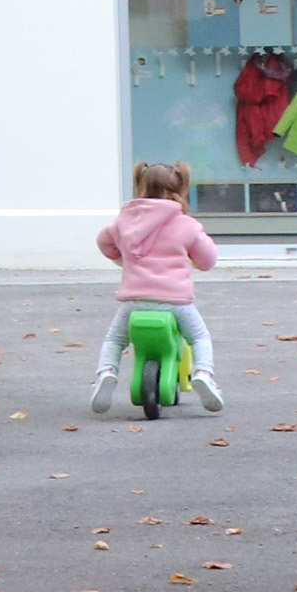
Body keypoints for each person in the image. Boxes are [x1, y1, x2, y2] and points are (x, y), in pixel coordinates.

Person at [92, 161, 226, 413]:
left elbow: (103, 242)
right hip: (176, 302)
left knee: (114, 339)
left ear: (140, 186)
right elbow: (207, 260)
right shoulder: (186, 225)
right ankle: (203, 374)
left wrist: (123, 259)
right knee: (199, 337)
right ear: (180, 188)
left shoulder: (124, 222)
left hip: (134, 302)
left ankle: (106, 373)